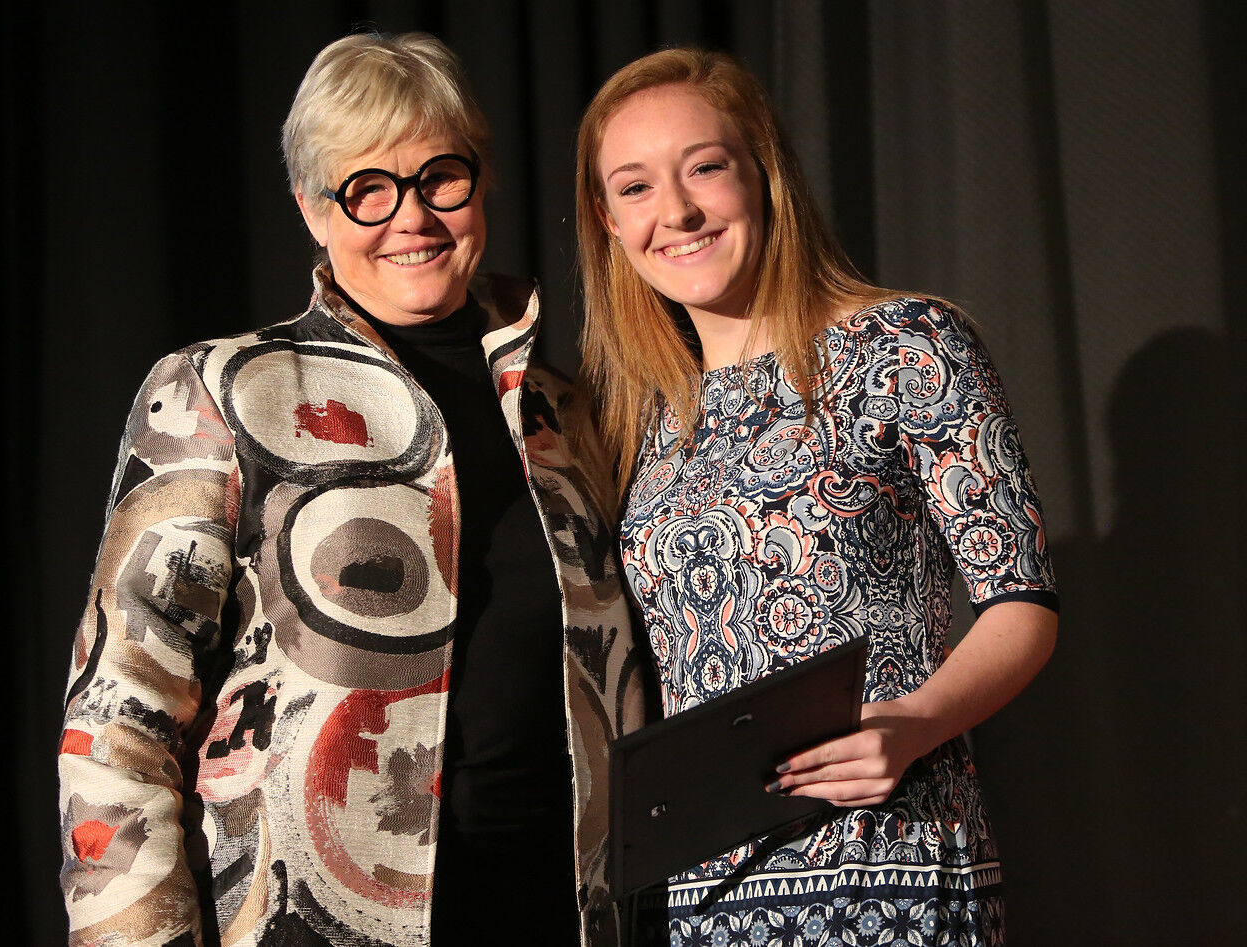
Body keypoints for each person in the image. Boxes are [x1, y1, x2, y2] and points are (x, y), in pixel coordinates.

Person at [58, 32, 645, 946]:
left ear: (480, 182)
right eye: (367, 188)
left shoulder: (564, 416)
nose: (411, 218)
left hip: (559, 909)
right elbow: (117, 718)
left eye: (440, 177)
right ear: (311, 209)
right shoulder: (222, 390)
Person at [575, 48, 1058, 946]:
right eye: (634, 188)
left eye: (705, 168)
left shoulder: (906, 344)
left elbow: (1022, 603)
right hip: (701, 900)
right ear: (606, 220)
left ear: (763, 172)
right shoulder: (631, 418)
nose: (675, 212)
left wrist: (916, 723)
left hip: (894, 863)